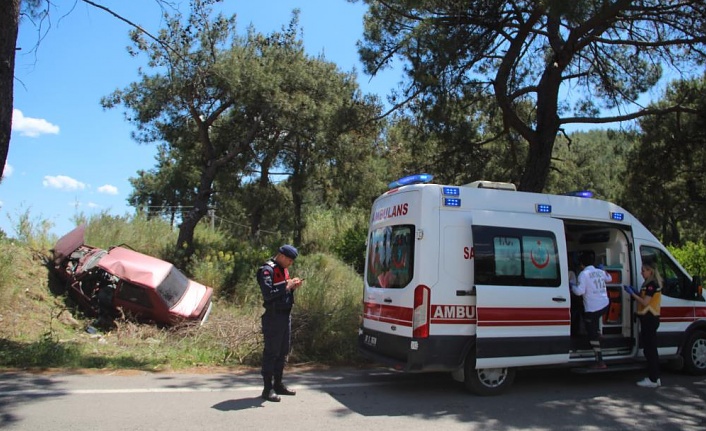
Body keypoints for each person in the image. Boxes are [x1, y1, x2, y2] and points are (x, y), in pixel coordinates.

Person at [256, 244, 303, 402]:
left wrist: (292, 287)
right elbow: (268, 294)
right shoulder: (266, 270)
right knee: (271, 353)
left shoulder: (283, 269)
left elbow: (283, 291)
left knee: (283, 352)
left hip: (285, 316)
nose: (290, 263)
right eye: (289, 260)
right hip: (273, 317)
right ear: (282, 256)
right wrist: (287, 286)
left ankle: (278, 384)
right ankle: (267, 389)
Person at [624, 261, 663, 388]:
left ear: (650, 271)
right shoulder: (648, 284)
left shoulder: (652, 285)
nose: (641, 272)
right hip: (648, 319)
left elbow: (645, 302)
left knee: (650, 350)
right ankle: (655, 378)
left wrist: (632, 294)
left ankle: (653, 379)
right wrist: (637, 292)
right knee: (651, 349)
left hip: (650, 319)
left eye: (643, 270)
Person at [571, 252, 611, 368]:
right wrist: (603, 270)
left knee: (591, 334)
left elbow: (579, 292)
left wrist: (572, 286)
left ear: (581, 264)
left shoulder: (583, 274)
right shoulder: (599, 272)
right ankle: (599, 332)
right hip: (605, 305)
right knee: (595, 321)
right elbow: (609, 278)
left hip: (592, 309)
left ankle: (600, 361)